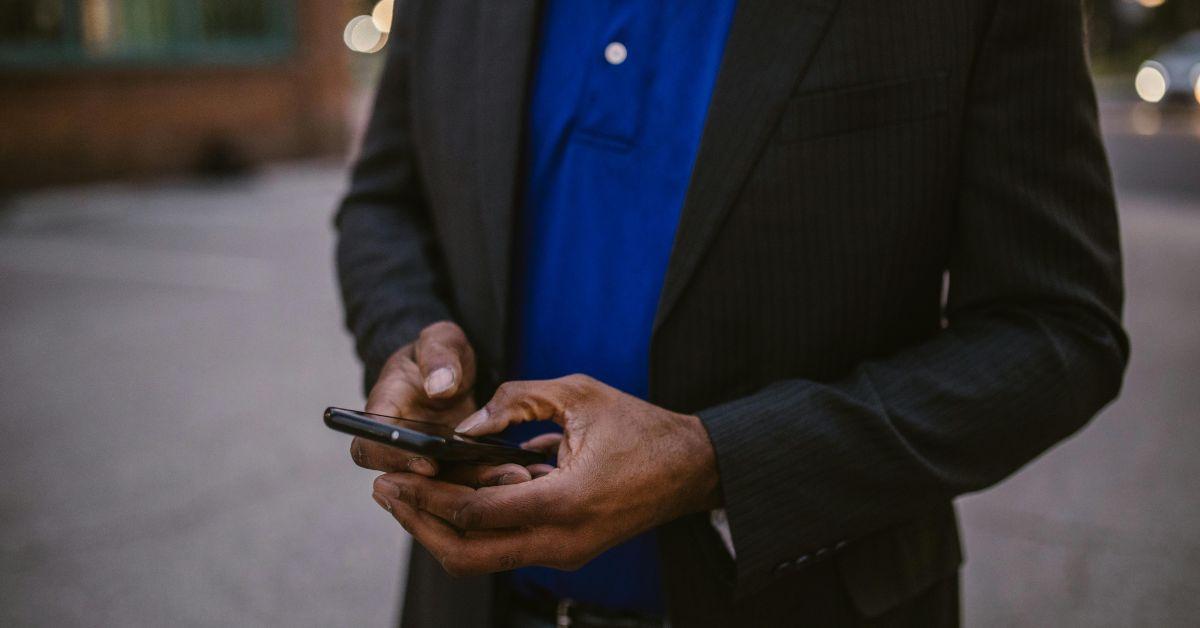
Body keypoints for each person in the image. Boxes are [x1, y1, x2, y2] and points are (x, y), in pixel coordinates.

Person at [334, 1, 1128, 626]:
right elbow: (385, 204)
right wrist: (414, 348)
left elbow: (1058, 327)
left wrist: (720, 461)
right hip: (475, 608)